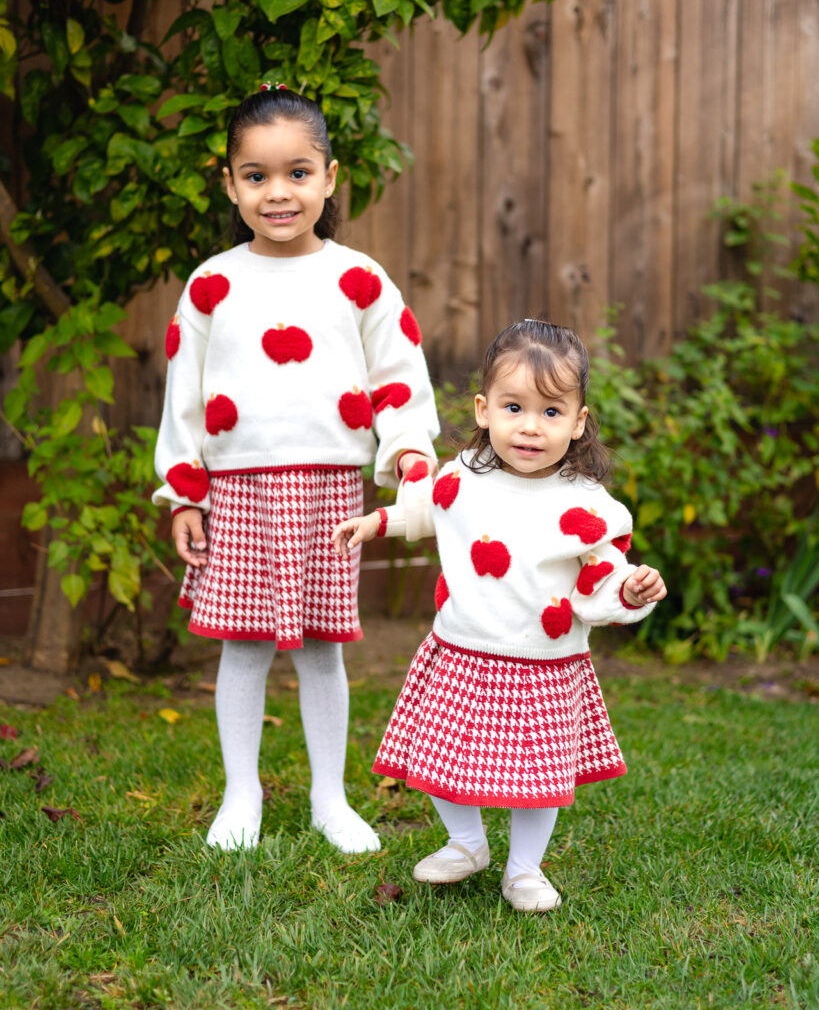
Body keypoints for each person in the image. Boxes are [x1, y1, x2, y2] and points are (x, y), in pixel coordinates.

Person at [153, 84, 439, 855]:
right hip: (239, 491)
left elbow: (399, 376)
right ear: (230, 184)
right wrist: (184, 490)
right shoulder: (212, 283)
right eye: (256, 175)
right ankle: (240, 794)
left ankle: (328, 797)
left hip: (327, 492)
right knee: (241, 645)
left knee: (322, 647)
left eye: (297, 173)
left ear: (330, 177)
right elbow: (183, 393)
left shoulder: (361, 279)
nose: (277, 192)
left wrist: (409, 452)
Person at [332, 319, 666, 911]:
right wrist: (378, 522)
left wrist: (630, 592)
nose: (531, 427)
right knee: (438, 754)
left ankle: (525, 870)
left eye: (552, 412)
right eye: (515, 407)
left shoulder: (586, 505)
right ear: (485, 410)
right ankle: (466, 842)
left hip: (542, 661)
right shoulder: (463, 477)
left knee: (536, 781)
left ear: (579, 421)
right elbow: (430, 512)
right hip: (460, 651)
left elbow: (601, 577)